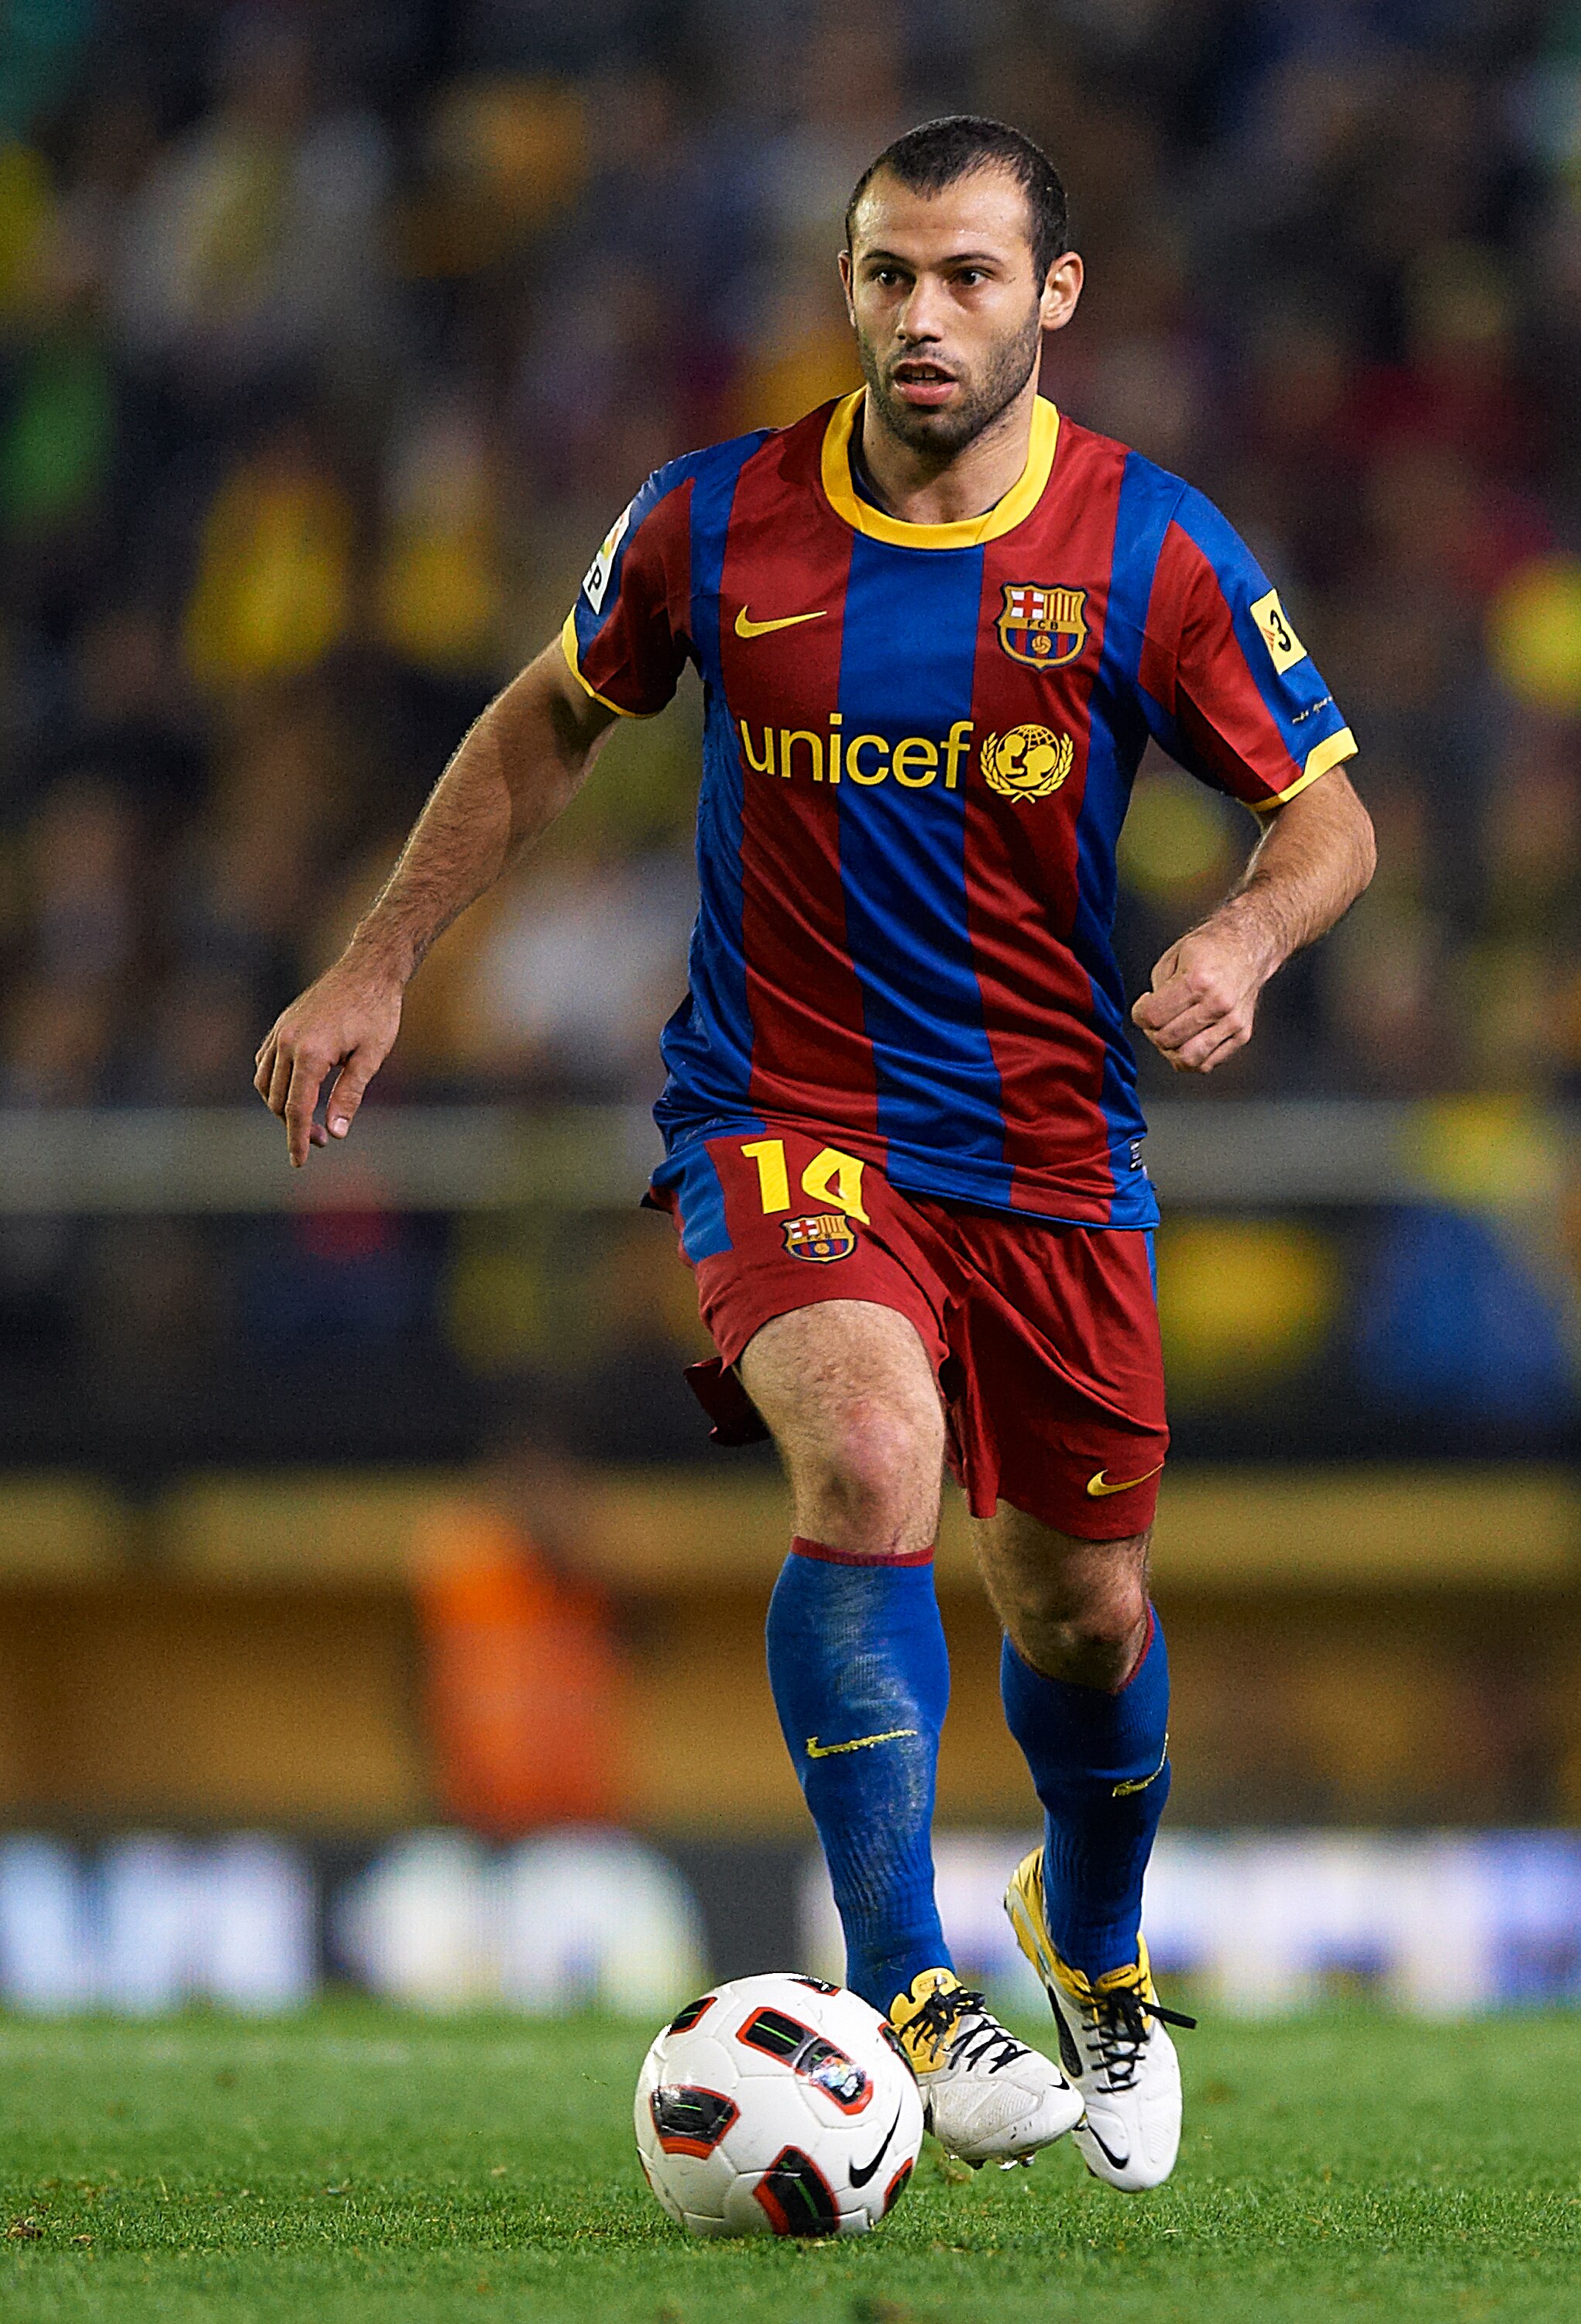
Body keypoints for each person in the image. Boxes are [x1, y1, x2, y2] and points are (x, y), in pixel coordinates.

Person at [255, 115, 1375, 2185]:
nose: (920, 315)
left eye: (967, 276)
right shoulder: (712, 520)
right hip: (782, 1110)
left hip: (1049, 1145)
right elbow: (549, 716)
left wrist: (1241, 934)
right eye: (886, 274)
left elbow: (1327, 812)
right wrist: (380, 957)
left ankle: (1094, 1948)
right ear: (846, 285)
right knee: (865, 1456)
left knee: (1083, 1610)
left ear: (1052, 296)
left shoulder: (1151, 546)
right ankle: (908, 1988)